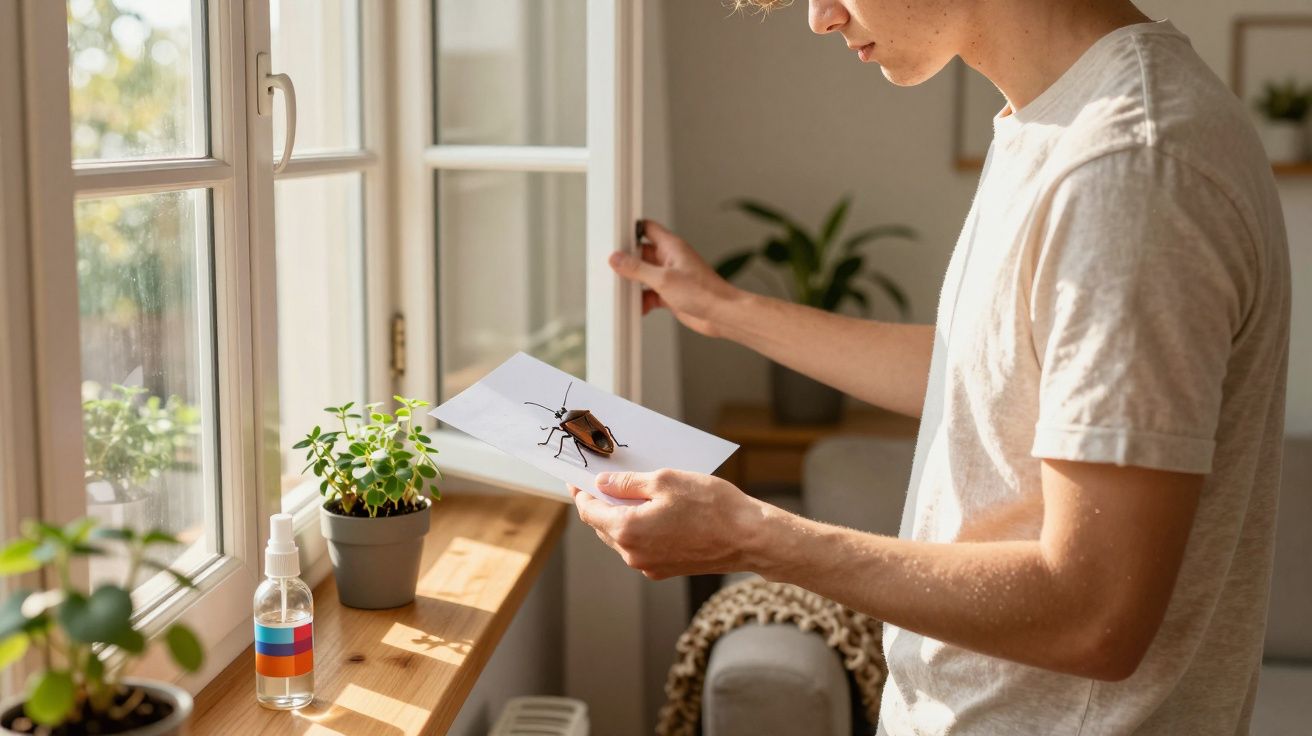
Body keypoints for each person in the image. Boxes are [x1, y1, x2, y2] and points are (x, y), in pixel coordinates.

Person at [570, 0, 1291, 733]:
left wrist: (755, 537)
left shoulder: (1132, 166)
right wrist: (722, 309)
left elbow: (1094, 613)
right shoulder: (1055, 120)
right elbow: (993, 374)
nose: (820, 18)